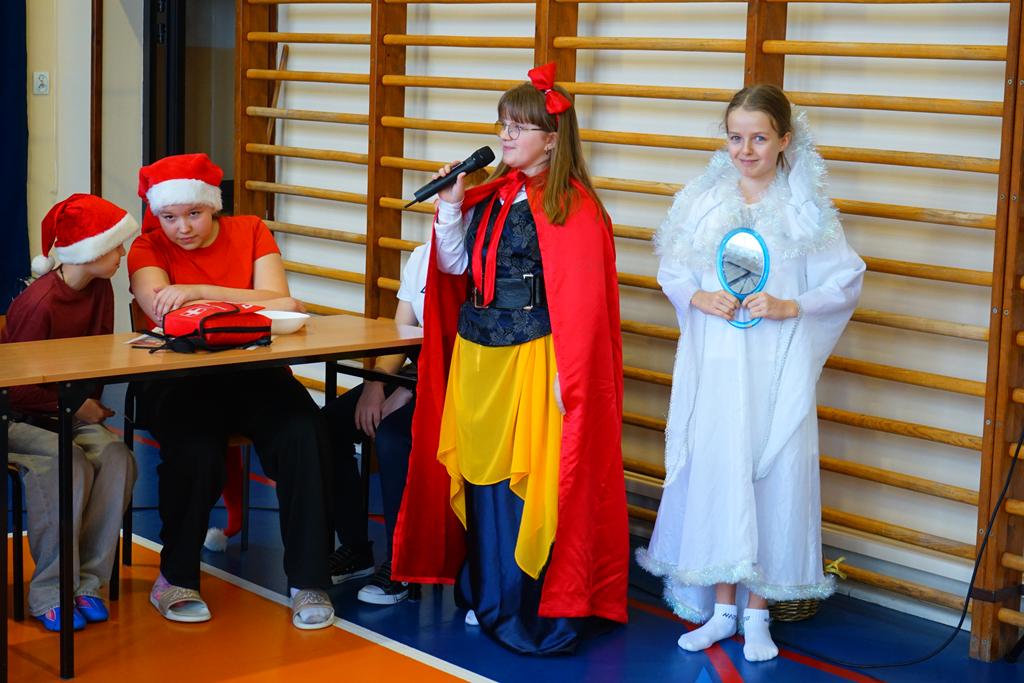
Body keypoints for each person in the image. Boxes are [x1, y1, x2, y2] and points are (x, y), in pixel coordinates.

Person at [392, 62, 629, 655]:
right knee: (480, 476)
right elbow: (454, 269)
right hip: (478, 355)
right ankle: (485, 589)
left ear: (551, 138)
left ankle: (520, 602)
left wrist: (568, 376)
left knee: (524, 482)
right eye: (502, 124)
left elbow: (582, 302)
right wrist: (451, 206)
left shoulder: (573, 207)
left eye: (518, 127)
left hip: (533, 357)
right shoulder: (492, 194)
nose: (506, 135)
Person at [636, 84, 866, 662]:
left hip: (774, 369)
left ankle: (757, 613)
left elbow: (845, 279)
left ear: (784, 140)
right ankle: (721, 610)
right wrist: (698, 296)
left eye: (759, 138)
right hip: (718, 367)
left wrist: (793, 305)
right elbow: (673, 268)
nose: (745, 150)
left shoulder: (804, 210)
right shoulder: (704, 202)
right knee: (721, 472)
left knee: (771, 475)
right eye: (735, 137)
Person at [127, 153, 335, 630]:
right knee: (196, 452)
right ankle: (175, 577)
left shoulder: (251, 230)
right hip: (178, 377)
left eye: (194, 214)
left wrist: (198, 292)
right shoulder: (146, 245)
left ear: (213, 206)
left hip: (254, 372)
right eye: (169, 217)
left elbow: (285, 303)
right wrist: (248, 304)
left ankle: (309, 579)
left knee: (305, 433)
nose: (182, 228)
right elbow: (165, 314)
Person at [3, 193, 139, 631]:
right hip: (17, 418)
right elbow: (16, 389)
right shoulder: (39, 303)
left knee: (117, 457)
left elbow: (94, 358)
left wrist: (79, 407)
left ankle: (88, 584)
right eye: (115, 246)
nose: (122, 254)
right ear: (89, 250)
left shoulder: (101, 290)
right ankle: (51, 591)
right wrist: (78, 406)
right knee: (70, 463)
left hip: (66, 414)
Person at [321, 240, 428, 604]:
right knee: (327, 425)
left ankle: (404, 564)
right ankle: (356, 548)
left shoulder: (477, 255)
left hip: (459, 383)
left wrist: (411, 389)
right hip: (419, 375)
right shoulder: (422, 255)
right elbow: (402, 334)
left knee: (393, 436)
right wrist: (376, 383)